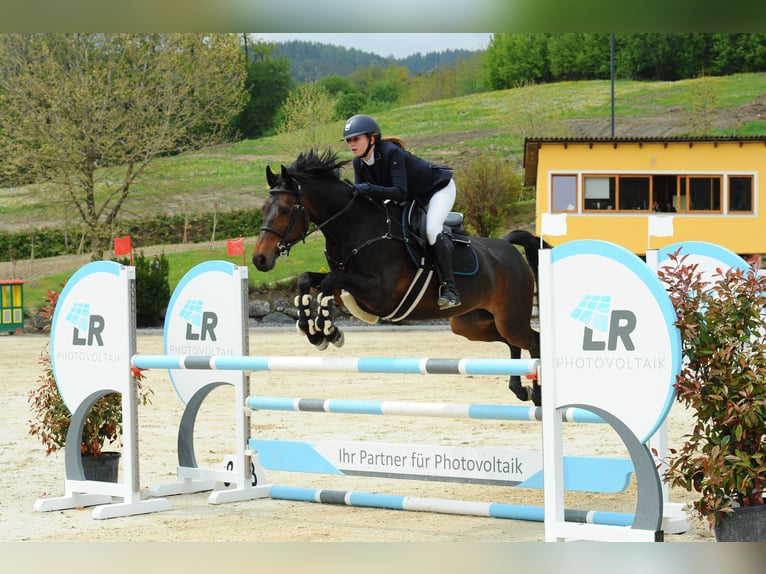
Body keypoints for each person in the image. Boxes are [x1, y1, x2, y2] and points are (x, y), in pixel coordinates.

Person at [342, 114, 461, 309]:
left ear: (372, 138)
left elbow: (399, 192)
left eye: (356, 138)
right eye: (349, 140)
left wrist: (368, 189)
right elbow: (365, 200)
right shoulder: (359, 162)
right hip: (413, 196)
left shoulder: (390, 152)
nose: (351, 143)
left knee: (432, 230)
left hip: (438, 189)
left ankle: (450, 289)